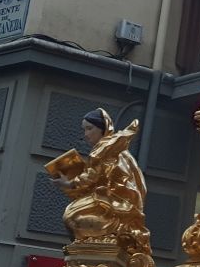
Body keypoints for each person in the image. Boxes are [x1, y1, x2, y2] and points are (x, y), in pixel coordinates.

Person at [49, 108, 152, 254]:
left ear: (103, 128)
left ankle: (100, 237)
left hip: (114, 201)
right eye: (84, 130)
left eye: (90, 129)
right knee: (73, 216)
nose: (86, 134)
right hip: (111, 198)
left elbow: (91, 177)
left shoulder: (105, 149)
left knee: (70, 217)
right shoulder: (115, 149)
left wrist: (68, 183)